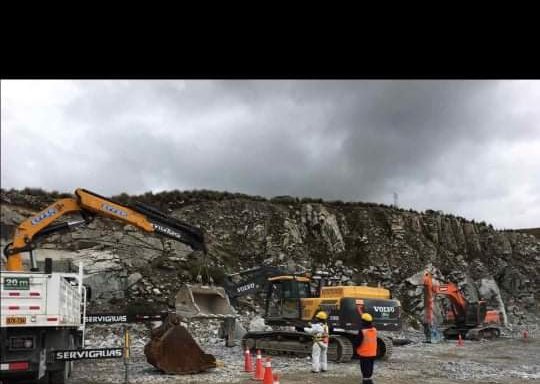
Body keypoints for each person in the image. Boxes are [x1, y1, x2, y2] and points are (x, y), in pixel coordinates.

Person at [356, 313, 377, 384]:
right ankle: (370, 381)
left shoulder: (362, 331)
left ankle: (366, 382)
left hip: (364, 354)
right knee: (370, 370)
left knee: (365, 371)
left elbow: (357, 342)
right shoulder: (374, 330)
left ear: (363, 321)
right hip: (372, 353)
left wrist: (354, 347)